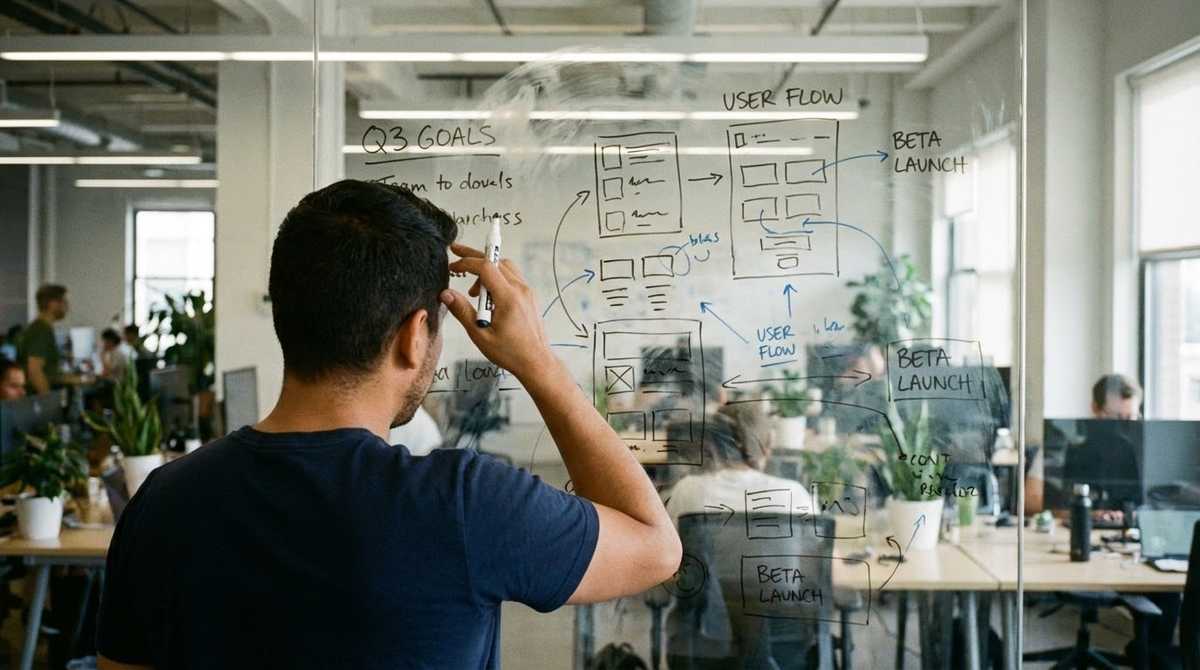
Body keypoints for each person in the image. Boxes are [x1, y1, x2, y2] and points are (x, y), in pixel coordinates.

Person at [96, 180, 681, 669]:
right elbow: (655, 547)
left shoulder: (163, 502)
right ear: (413, 336)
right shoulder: (465, 503)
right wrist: (539, 363)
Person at [17, 284, 68, 394]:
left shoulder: (44, 328)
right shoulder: (40, 330)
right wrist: (49, 400)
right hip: (36, 398)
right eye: (64, 302)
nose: (67, 306)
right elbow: (35, 372)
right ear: (53, 304)